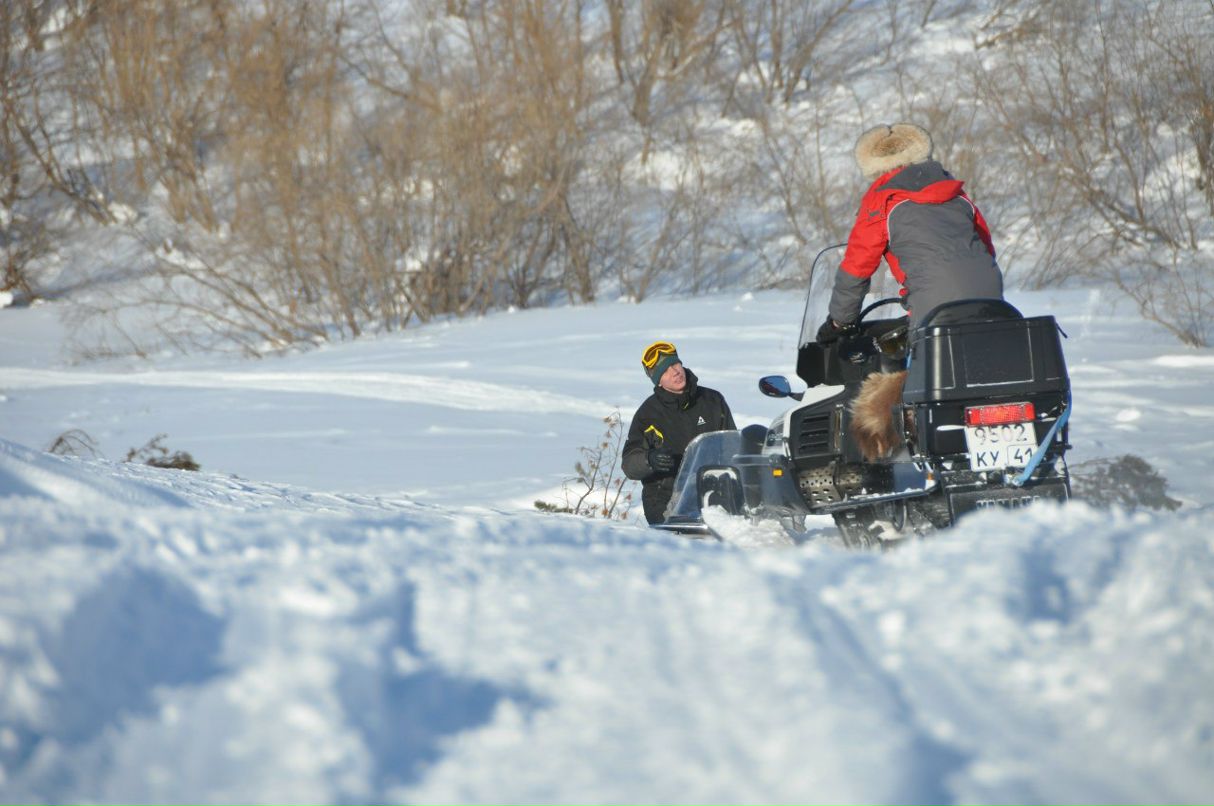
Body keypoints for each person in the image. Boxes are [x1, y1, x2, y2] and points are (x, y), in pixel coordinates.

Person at [817, 122, 1003, 344]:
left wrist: (840, 322)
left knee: (922, 370)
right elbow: (985, 248)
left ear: (874, 167)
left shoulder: (882, 201)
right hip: (990, 294)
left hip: (934, 302)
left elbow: (857, 267)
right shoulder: (955, 192)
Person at [622, 341, 735, 525]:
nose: (675, 371)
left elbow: (732, 446)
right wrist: (649, 459)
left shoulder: (712, 400)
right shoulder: (648, 414)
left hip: (714, 495)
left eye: (675, 364)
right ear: (658, 380)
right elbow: (629, 464)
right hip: (666, 502)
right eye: (666, 370)